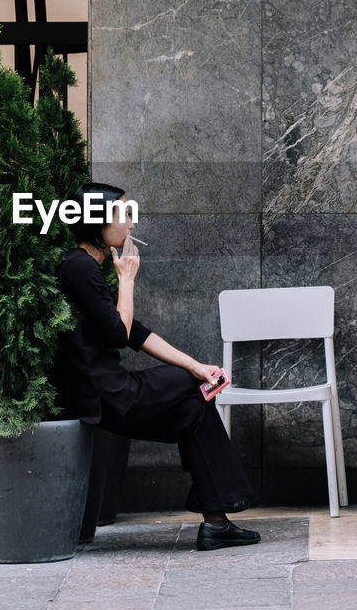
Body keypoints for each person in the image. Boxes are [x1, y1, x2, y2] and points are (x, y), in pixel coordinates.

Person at [52, 182, 259, 551]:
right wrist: (127, 281)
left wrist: (197, 366)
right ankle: (223, 508)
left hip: (108, 392)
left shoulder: (85, 267)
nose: (131, 224)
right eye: (122, 214)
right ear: (98, 222)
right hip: (103, 396)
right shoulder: (80, 268)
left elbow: (138, 334)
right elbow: (119, 333)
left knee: (195, 405)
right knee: (188, 388)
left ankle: (215, 522)